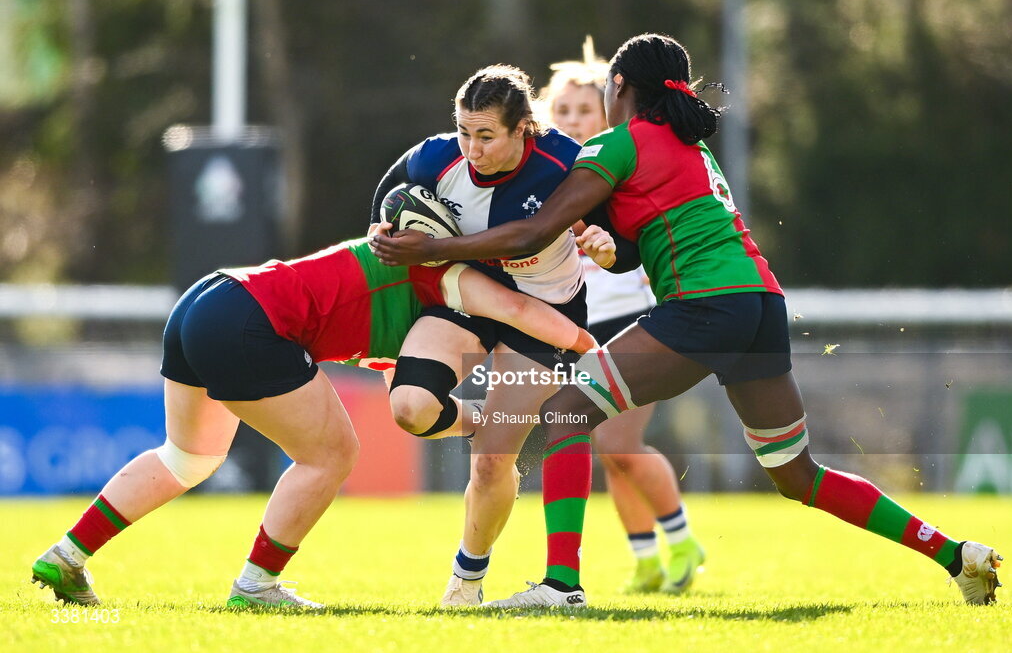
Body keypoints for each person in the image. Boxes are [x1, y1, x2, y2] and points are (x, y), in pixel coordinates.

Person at [371, 33, 1003, 608]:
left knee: (565, 409)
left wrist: (428, 248)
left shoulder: (617, 143)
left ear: (619, 88)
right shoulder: (692, 148)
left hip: (707, 307)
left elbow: (538, 228)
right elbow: (643, 247)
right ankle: (958, 555)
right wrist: (613, 251)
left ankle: (560, 586)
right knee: (796, 474)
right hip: (760, 303)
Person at [29, 232, 595, 609]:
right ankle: (257, 586)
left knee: (188, 457)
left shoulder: (394, 283)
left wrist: (469, 420)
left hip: (209, 298)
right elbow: (519, 310)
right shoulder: (445, 273)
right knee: (331, 455)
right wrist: (592, 349)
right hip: (251, 322)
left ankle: (68, 555)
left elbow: (407, 396)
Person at [368, 64, 605, 607]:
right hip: (464, 298)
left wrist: (606, 244)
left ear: (525, 127)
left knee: (492, 461)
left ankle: (465, 583)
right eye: (464, 132)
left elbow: (613, 232)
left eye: (486, 135)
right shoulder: (434, 157)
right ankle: (482, 419)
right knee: (409, 408)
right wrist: (385, 233)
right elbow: (383, 208)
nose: (471, 149)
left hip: (544, 311)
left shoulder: (565, 162)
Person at [540, 38, 703, 594]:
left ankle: (682, 543)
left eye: (584, 109)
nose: (573, 119)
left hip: (635, 315)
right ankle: (647, 558)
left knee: (617, 444)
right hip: (576, 327)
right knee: (604, 450)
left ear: (611, 104)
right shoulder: (553, 176)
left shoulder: (624, 156)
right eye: (561, 111)